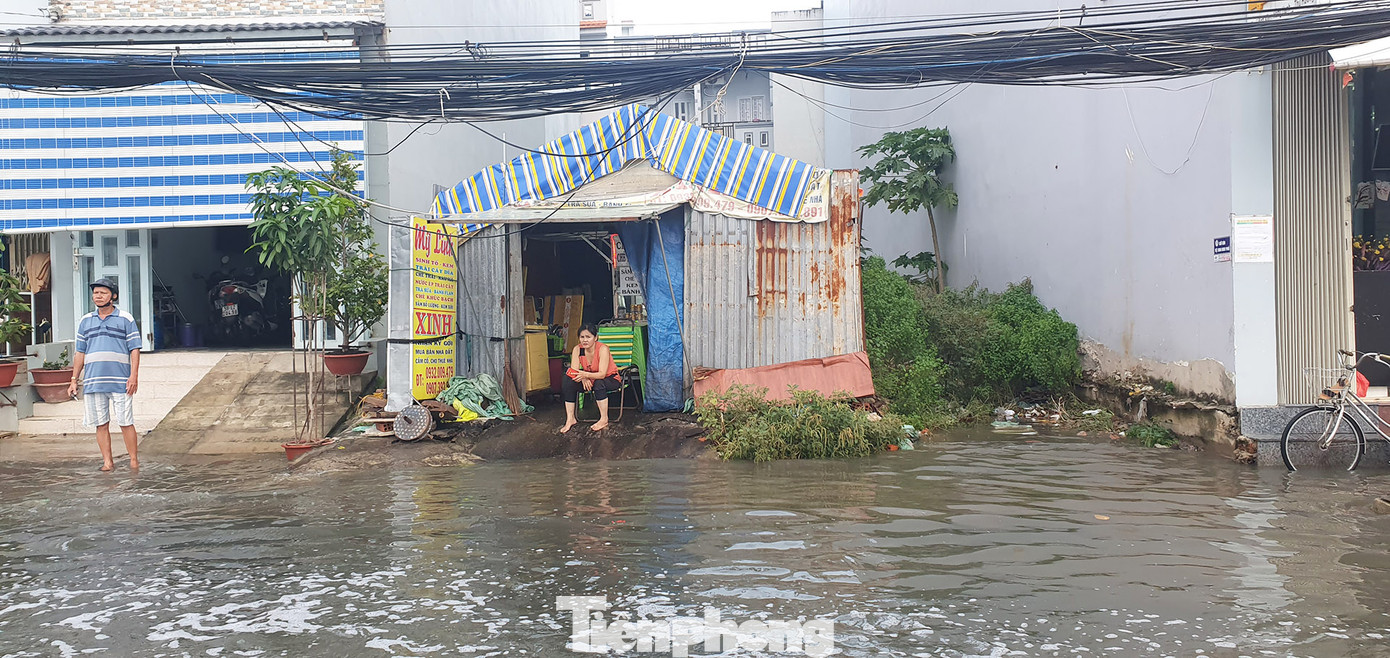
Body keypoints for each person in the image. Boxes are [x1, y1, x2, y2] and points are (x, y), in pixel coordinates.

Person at [67, 278, 142, 472]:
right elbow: (80, 352)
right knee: (100, 424)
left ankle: (134, 461)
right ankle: (108, 462)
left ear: (113, 296)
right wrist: (74, 379)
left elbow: (134, 349)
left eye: (103, 293)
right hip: (93, 381)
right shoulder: (85, 321)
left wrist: (133, 376)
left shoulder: (125, 318)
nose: (98, 296)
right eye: (95, 293)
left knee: (126, 422)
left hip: (121, 381)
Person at [560, 323, 621, 433]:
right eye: (582, 337)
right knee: (568, 380)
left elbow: (602, 374)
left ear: (595, 337)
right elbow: (574, 372)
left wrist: (585, 375)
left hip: (610, 379)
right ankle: (570, 419)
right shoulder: (578, 349)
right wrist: (583, 378)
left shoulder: (602, 349)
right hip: (589, 380)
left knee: (599, 382)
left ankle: (604, 419)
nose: (585, 340)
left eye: (588, 337)